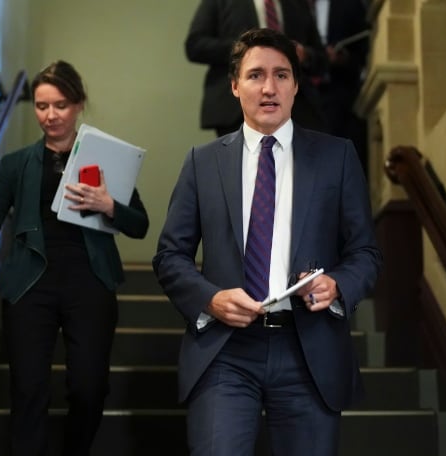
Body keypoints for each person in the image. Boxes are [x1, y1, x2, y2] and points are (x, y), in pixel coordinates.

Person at [153, 28, 382, 455]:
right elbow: (170, 256)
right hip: (225, 351)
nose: (269, 87)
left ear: (296, 85)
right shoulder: (201, 163)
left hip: (309, 351)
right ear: (235, 86)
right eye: (256, 75)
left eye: (281, 74)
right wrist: (210, 298)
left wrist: (337, 285)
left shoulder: (338, 157)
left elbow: (365, 253)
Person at [0, 60, 149, 455]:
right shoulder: (16, 164)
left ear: (79, 104)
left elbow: (140, 225)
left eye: (60, 105)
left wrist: (109, 205)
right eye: (41, 105)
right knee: (28, 388)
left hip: (91, 284)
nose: (50, 115)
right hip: (30, 285)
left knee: (89, 387)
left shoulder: (106, 159)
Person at [185, 0, 328, 136]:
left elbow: (321, 57)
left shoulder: (297, 3)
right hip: (235, 108)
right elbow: (195, 45)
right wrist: (246, 51)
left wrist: (305, 55)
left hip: (299, 106)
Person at [311, 0, 370, 176]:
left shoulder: (349, 6)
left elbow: (364, 53)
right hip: (299, 99)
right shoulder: (290, 7)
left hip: (339, 97)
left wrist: (342, 59)